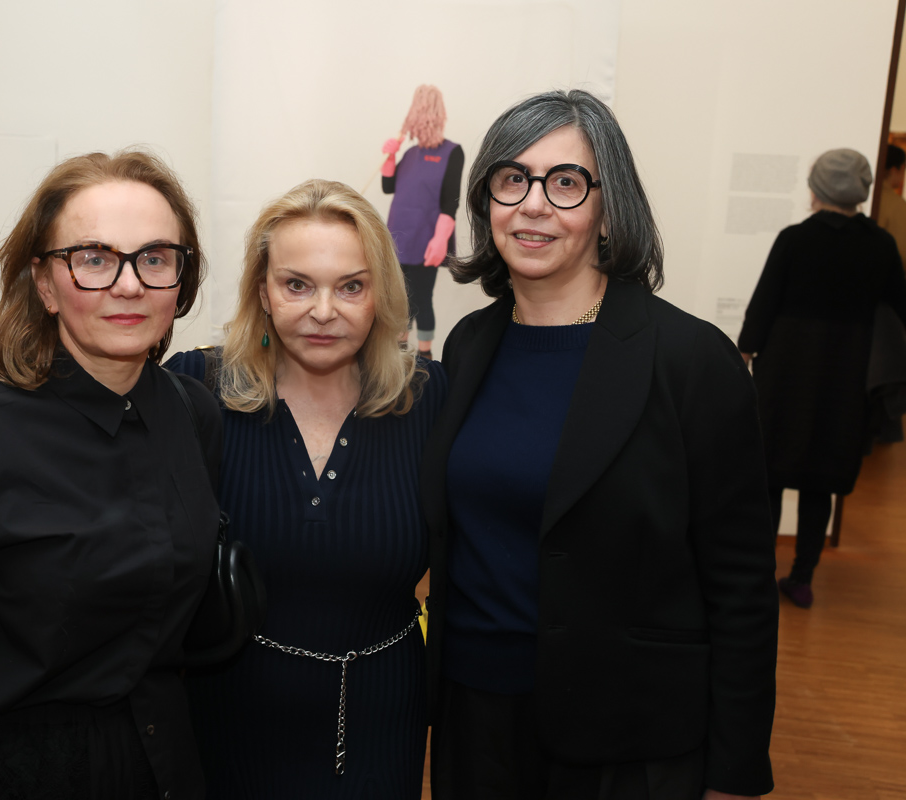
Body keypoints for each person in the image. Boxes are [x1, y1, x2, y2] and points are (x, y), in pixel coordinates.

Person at [420, 90, 779, 799]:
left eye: (565, 182)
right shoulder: (469, 345)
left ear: (608, 209)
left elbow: (741, 584)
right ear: (487, 200)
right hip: (474, 714)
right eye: (512, 179)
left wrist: (735, 773)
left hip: (627, 736)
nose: (533, 205)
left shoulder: (690, 360)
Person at [0, 150, 220, 799]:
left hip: (163, 764)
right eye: (94, 258)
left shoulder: (193, 413)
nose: (129, 285)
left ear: (180, 279)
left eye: (155, 258)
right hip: (15, 772)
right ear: (45, 284)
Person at [165, 179, 446, 799]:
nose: (324, 310)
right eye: (297, 285)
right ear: (263, 292)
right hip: (227, 721)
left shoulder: (430, 398)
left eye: (351, 286)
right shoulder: (197, 389)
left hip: (383, 718)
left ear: (380, 294)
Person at [739, 148, 906, 609]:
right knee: (820, 482)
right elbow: (899, 310)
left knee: (770, 477)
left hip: (786, 375)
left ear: (819, 188)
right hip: (845, 379)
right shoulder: (881, 245)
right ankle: (802, 578)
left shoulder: (795, 239)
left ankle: (760, 575)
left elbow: (763, 305)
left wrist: (743, 355)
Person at [381, 84, 464, 359]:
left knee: (422, 298)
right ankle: (400, 353)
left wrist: (441, 238)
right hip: (399, 236)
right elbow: (388, 186)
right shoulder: (410, 154)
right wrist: (391, 156)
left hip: (426, 238)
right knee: (400, 299)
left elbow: (450, 202)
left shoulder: (452, 152)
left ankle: (426, 356)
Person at [876, 144, 906, 266]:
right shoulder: (898, 205)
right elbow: (902, 253)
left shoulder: (863, 197)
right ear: (895, 170)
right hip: (885, 270)